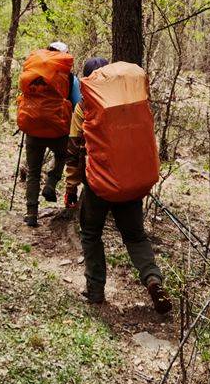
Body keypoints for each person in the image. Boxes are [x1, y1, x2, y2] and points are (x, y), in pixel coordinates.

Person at [65, 57, 172, 313]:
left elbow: (74, 150)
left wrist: (71, 187)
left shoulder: (84, 106)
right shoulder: (132, 104)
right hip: (131, 182)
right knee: (135, 236)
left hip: (99, 184)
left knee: (91, 233)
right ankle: (152, 278)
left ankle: (95, 291)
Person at [19, 41, 74, 228]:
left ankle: (31, 213)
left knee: (33, 172)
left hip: (33, 126)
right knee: (62, 155)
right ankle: (51, 183)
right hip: (57, 128)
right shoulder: (67, 75)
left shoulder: (32, 72)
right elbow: (76, 102)